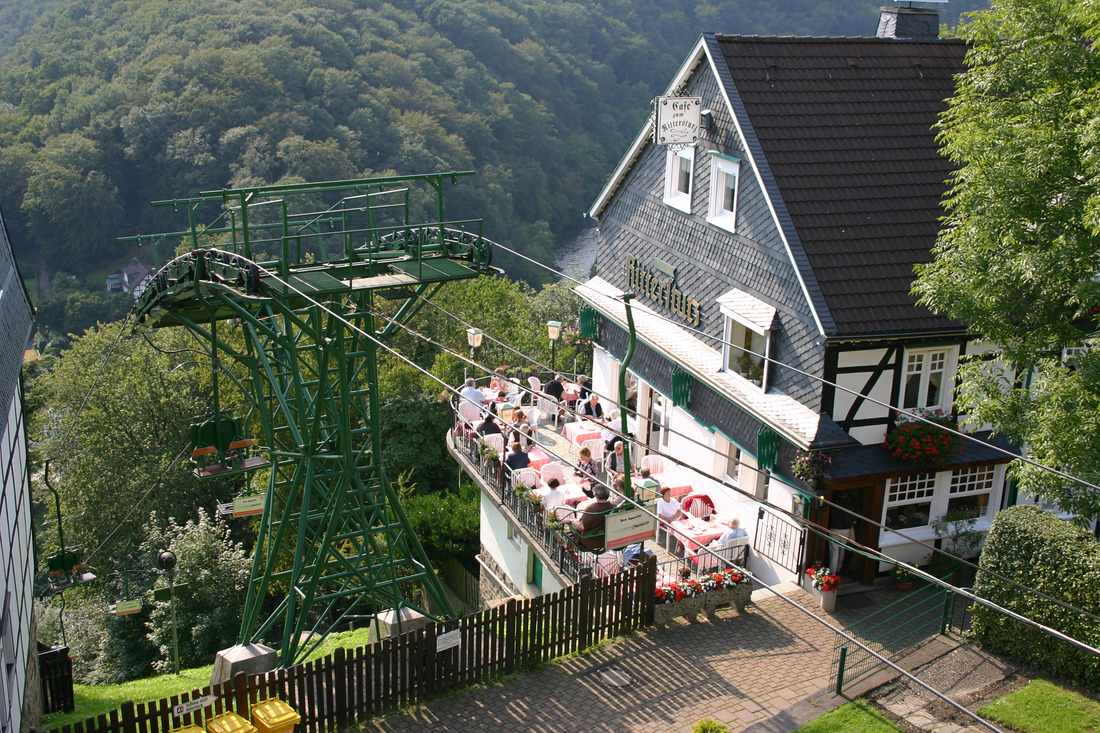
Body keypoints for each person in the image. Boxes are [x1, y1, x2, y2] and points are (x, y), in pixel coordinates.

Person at [567, 484, 614, 551]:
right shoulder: (612, 507)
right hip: (605, 538)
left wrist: (570, 521)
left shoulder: (592, 509)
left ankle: (570, 549)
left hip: (590, 541)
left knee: (572, 527)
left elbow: (581, 527)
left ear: (596, 495)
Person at [828, 491, 859, 573]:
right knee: (842, 549)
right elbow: (854, 522)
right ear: (846, 494)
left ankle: (832, 571)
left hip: (834, 529)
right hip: (846, 530)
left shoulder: (833, 504)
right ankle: (839, 568)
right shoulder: (851, 505)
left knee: (834, 550)